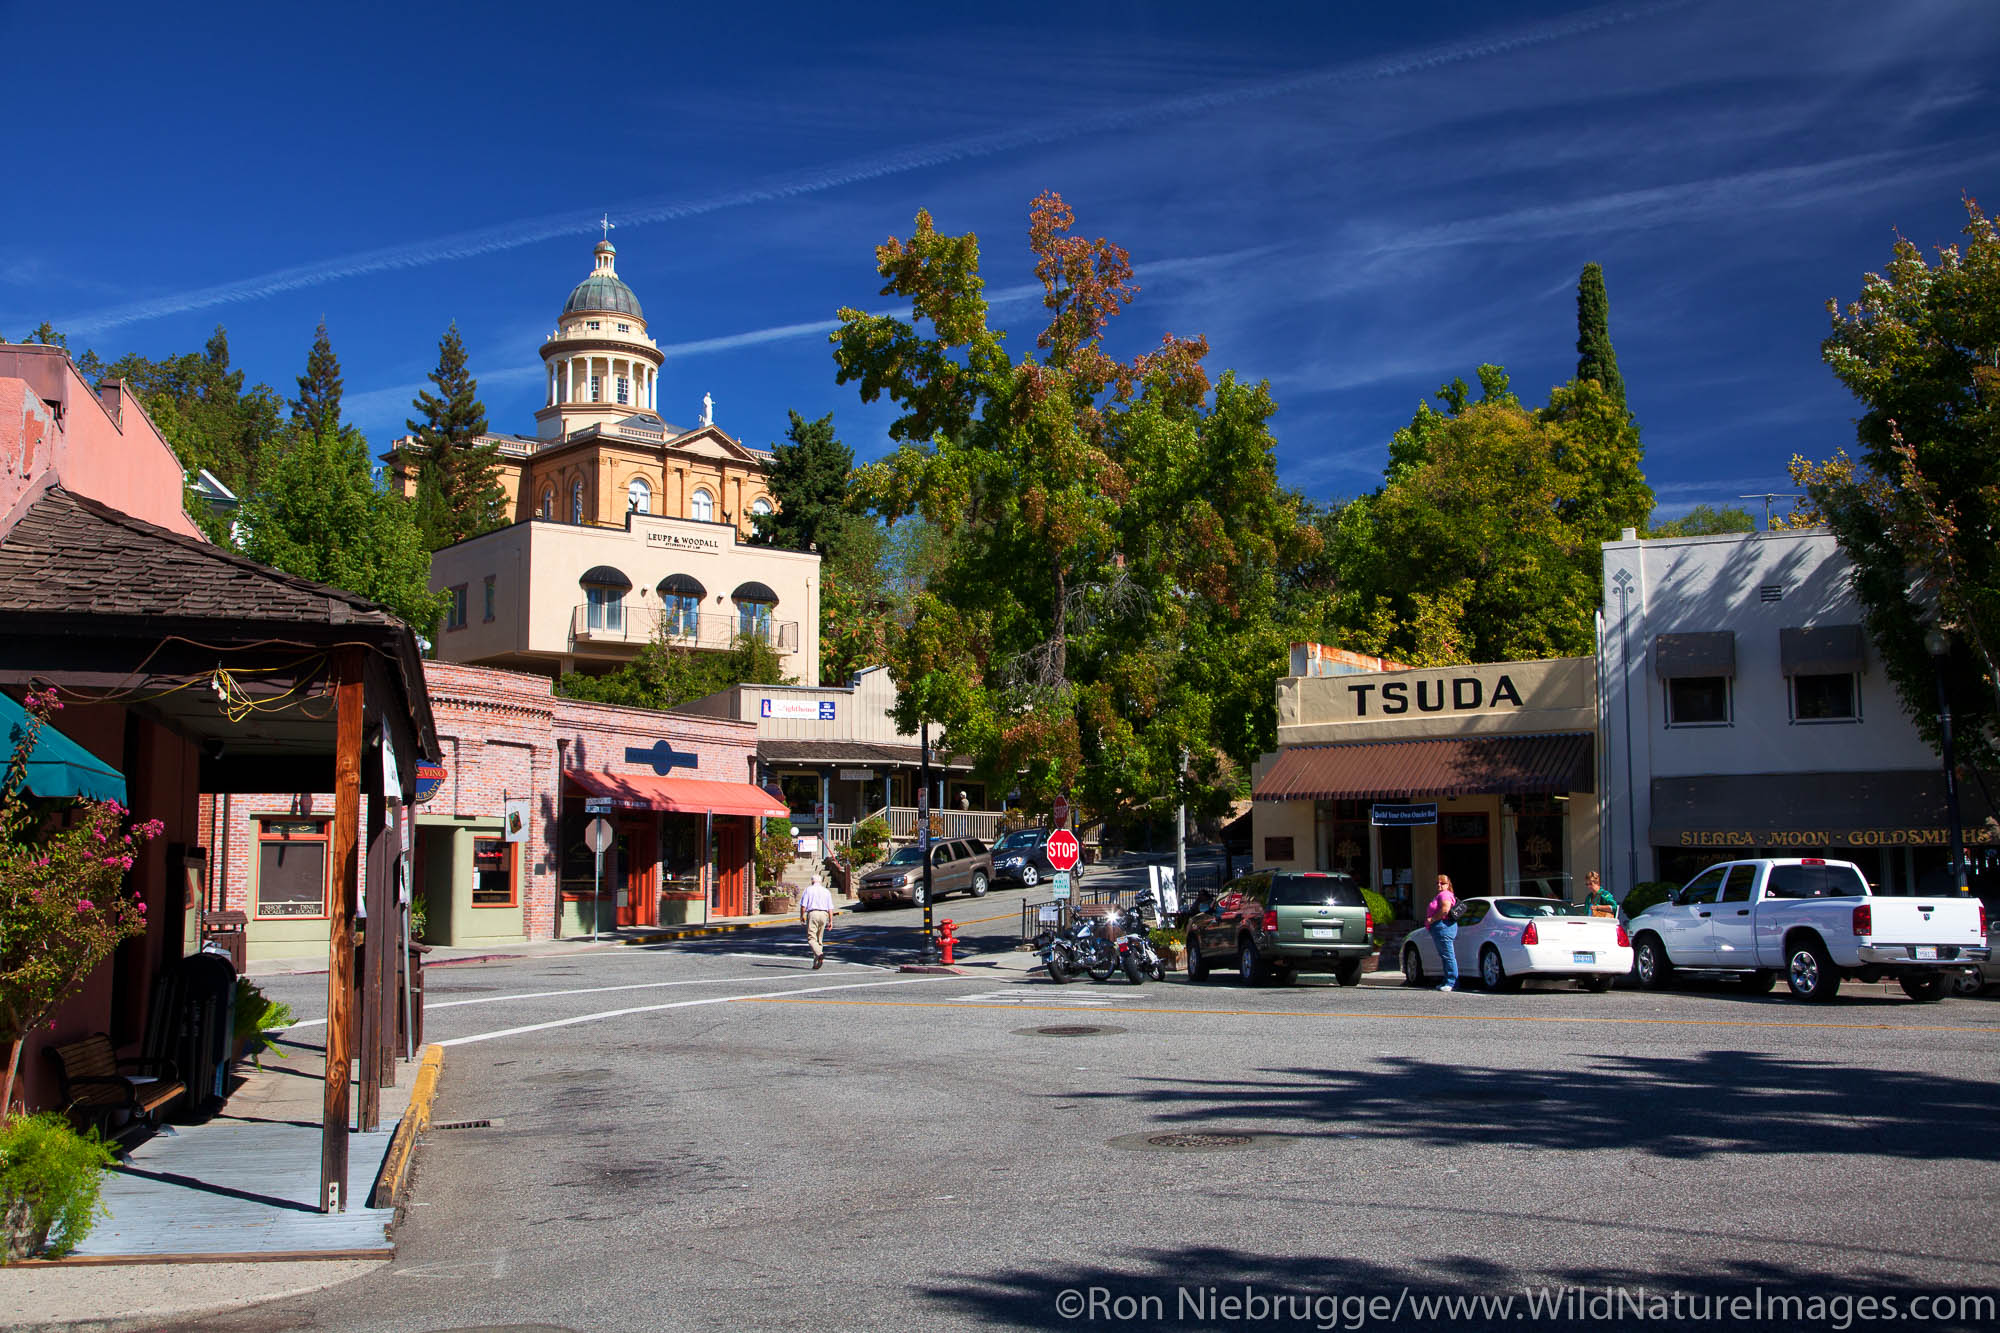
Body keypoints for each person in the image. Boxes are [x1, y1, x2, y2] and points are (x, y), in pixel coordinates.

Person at [1425, 873, 1461, 993]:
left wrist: (1432, 919)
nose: (1439, 885)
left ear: (1448, 884)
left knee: (1448, 955)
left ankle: (1452, 982)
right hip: (1441, 927)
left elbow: (1445, 910)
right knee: (1444, 955)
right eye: (1438, 883)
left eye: (1443, 883)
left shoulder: (1445, 894)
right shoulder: (1442, 894)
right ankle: (1447, 981)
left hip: (1443, 927)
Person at [798, 873, 836, 970]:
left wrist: (802, 916)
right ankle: (816, 962)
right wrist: (831, 920)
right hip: (824, 914)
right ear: (821, 881)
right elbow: (830, 908)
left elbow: (803, 905)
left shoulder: (808, 889)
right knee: (819, 939)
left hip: (813, 913)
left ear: (812, 881)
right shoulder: (826, 891)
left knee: (811, 938)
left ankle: (819, 954)